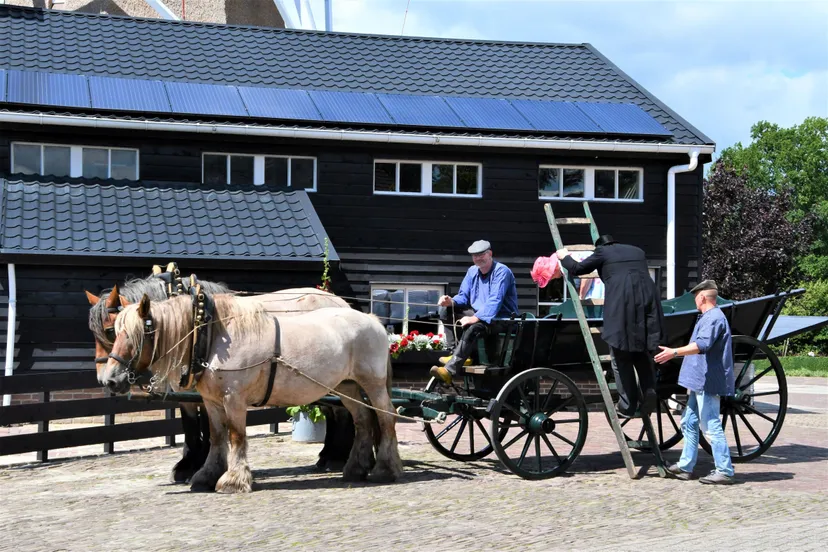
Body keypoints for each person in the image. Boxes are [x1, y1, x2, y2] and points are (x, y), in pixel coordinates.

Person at [557, 234, 663, 417]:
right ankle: (649, 390)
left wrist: (563, 256)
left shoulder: (602, 252)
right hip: (648, 300)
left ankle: (627, 405)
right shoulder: (637, 251)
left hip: (622, 301)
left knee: (620, 355)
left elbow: (577, 268)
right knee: (641, 351)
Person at [654, 279, 736, 485]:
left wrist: (674, 352)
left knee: (710, 424)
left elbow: (702, 345)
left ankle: (725, 470)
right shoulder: (709, 317)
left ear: (701, 297)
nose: (695, 302)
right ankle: (685, 466)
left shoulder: (713, 318)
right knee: (689, 422)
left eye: (695, 298)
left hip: (707, 381)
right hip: (700, 380)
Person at [430, 240, 518, 385]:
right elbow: (463, 296)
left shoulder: (502, 271)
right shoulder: (472, 271)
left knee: (474, 327)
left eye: (481, 254)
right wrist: (450, 301)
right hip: (481, 316)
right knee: (446, 310)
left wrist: (474, 318)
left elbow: (494, 301)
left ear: (490, 254)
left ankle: (449, 370)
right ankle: (455, 353)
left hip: (502, 320)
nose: (478, 258)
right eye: (474, 255)